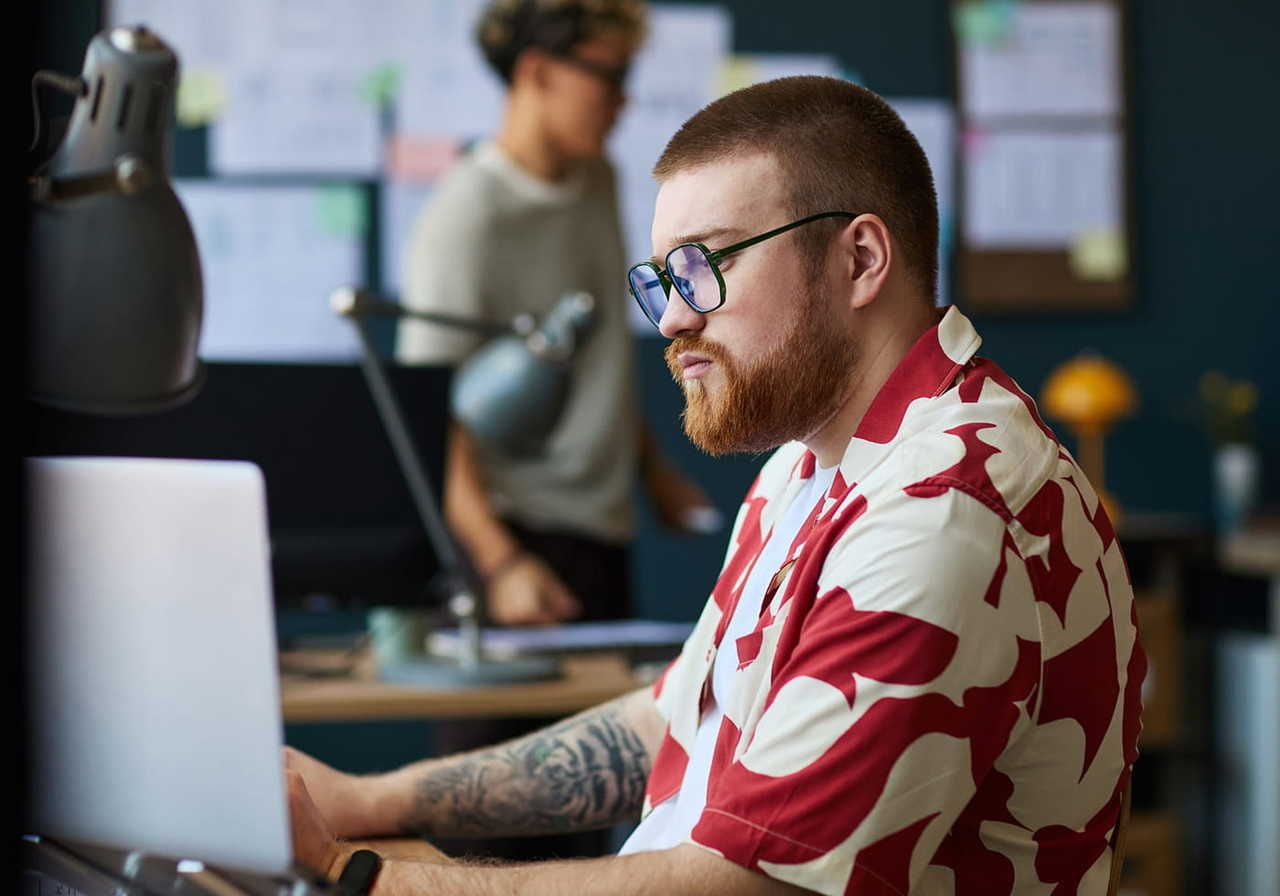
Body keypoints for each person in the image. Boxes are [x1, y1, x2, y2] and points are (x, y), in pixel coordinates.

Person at [288, 75, 1147, 895]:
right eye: (662, 277)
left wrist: (353, 872)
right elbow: (675, 720)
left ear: (860, 259)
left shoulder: (943, 511)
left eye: (704, 266)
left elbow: (740, 886)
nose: (672, 318)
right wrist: (371, 802)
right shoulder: (811, 464)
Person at [394, 0, 713, 862]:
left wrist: (651, 472)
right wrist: (500, 563)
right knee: (499, 833)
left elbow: (605, 351)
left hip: (598, 531)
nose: (622, 101)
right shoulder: (470, 213)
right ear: (538, 73)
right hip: (509, 550)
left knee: (596, 822)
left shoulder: (600, 178)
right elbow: (432, 419)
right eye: (608, 76)